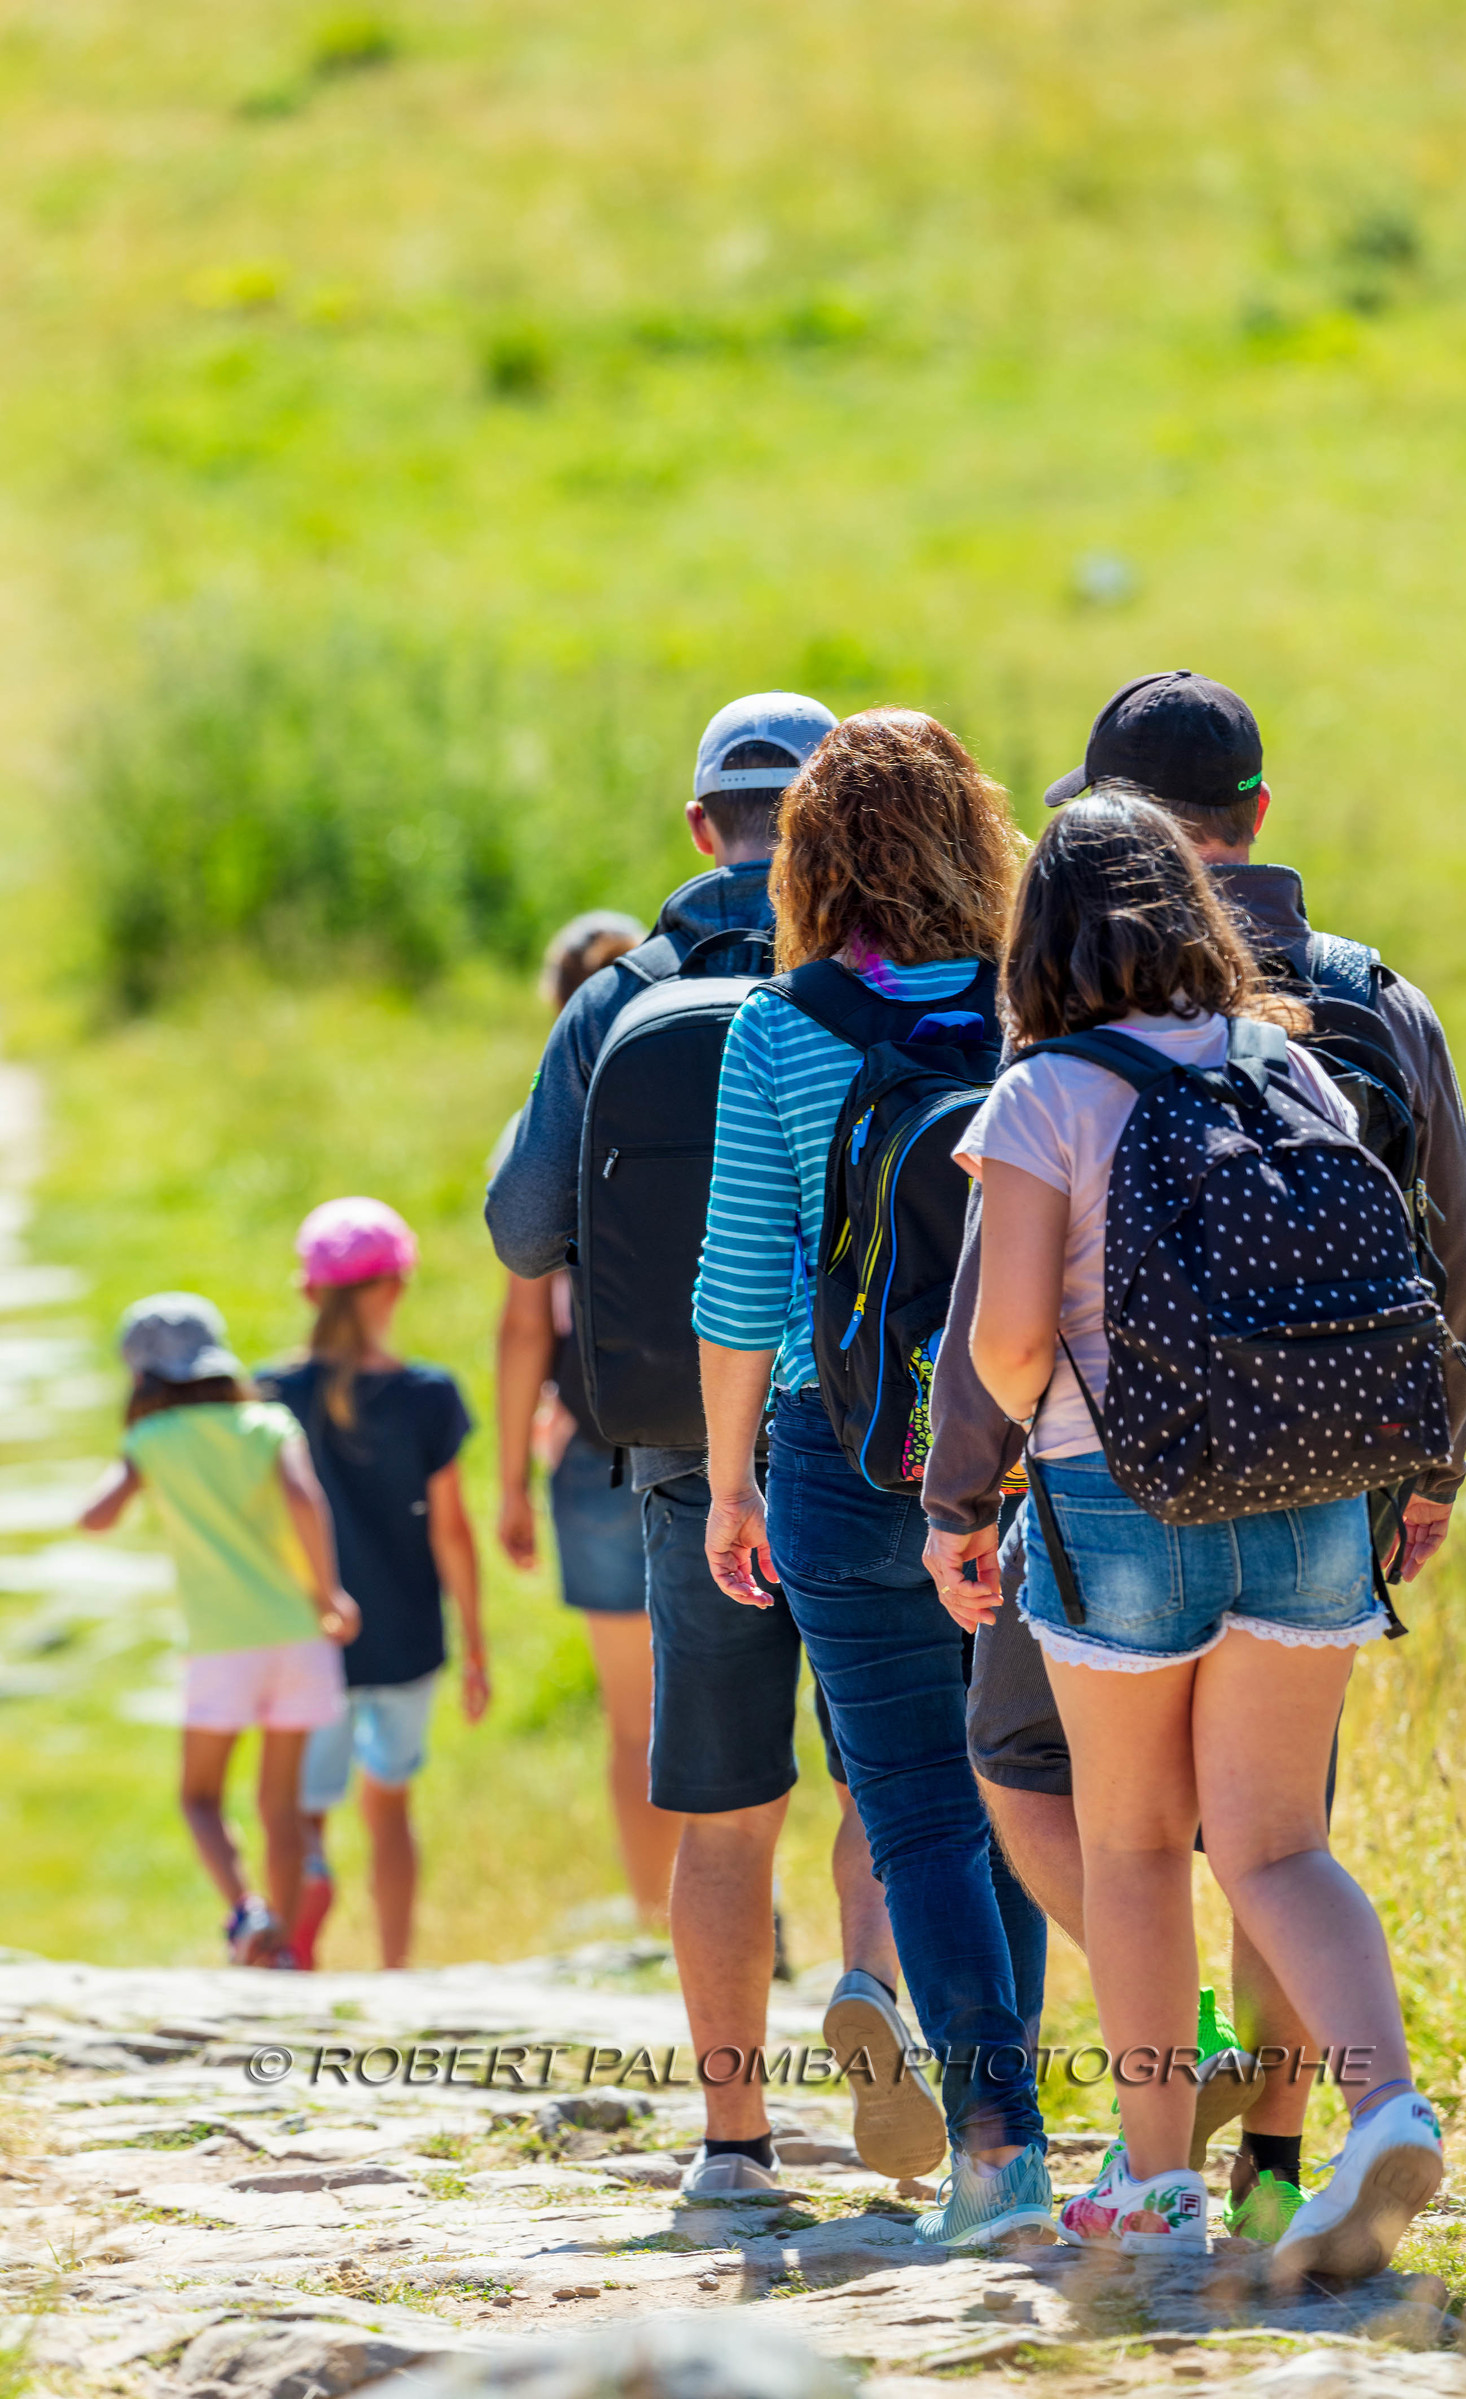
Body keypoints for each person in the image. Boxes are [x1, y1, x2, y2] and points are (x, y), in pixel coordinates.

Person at [923, 671, 1466, 2242]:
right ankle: (1385, 2108)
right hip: (1311, 1483)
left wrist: (981, 1484)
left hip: (1121, 1496)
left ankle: (1160, 2174)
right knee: (1279, 1838)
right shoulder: (1290, 1057)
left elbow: (1014, 1340)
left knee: (1129, 1843)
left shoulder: (1046, 1088)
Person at [487, 694, 930, 2195]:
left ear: (699, 829)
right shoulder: (904, 981)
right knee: (890, 1766)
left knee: (726, 1811)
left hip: (694, 1457)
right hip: (886, 1440)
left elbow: (518, 1223)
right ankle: (873, 1982)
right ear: (823, 819)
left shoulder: (627, 990)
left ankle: (733, 2145)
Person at [696, 707, 1058, 2249]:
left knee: (914, 1800)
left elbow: (737, 1287)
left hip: (843, 1461)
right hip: (1036, 1458)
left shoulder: (778, 1025)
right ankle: (1032, 2116)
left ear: (806, 856)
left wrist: (727, 1486)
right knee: (1028, 1782)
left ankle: (996, 2147)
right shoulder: (1033, 1013)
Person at [495, 908, 684, 1930]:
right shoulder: (702, 1072)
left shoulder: (542, 1129)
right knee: (742, 1695)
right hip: (722, 1426)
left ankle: (657, 1920)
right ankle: (742, 1905)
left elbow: (525, 1324)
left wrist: (509, 1482)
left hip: (597, 1439)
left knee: (631, 1719)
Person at [78, 1293, 359, 1965]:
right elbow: (302, 1498)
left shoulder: (150, 1440)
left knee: (200, 1794)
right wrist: (330, 1594)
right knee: (282, 1803)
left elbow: (97, 1514)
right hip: (298, 1632)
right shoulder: (266, 1422)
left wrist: (130, 1471)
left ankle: (246, 1911)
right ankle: (283, 1946)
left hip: (221, 1646)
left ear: (142, 1373)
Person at [257, 1198, 486, 1971]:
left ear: (309, 1293)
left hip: (305, 1634)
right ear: (396, 1287)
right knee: (389, 1806)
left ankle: (301, 1913)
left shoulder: (269, 1394)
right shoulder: (428, 1395)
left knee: (302, 1807)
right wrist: (477, 1647)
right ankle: (395, 1967)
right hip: (405, 1636)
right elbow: (450, 1531)